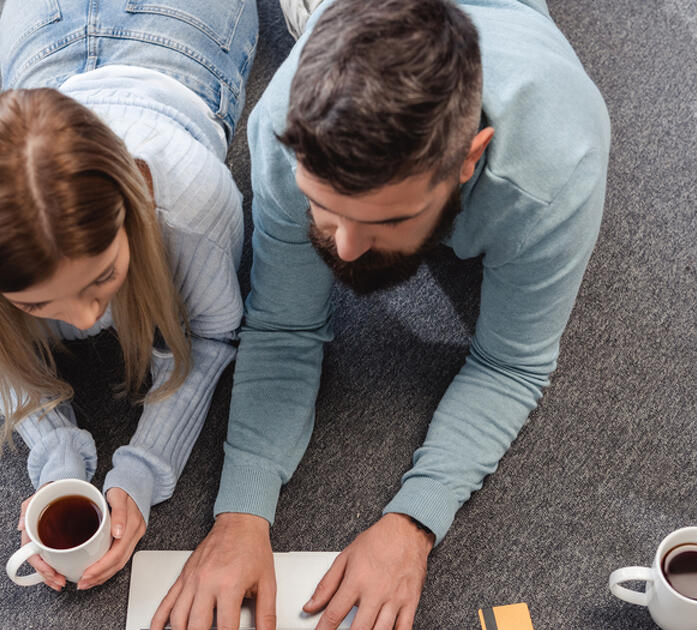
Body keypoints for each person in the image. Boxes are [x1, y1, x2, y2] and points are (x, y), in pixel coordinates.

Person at [153, 0, 608, 628]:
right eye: (323, 206)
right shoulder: (280, 124)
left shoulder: (556, 169)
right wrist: (240, 514)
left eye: (388, 219)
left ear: (469, 159)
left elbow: (511, 365)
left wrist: (413, 522)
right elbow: (284, 324)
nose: (343, 250)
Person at [0, 0, 257, 591]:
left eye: (102, 279)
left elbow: (214, 331)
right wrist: (55, 461)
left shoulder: (189, 202)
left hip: (184, 35)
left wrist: (142, 471)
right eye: (37, 306)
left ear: (137, 201)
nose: (88, 319)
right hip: (43, 39)